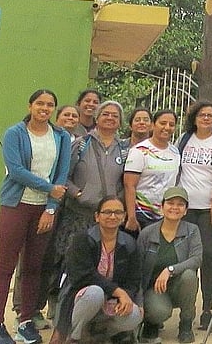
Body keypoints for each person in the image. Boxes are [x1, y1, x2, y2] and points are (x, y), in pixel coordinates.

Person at [0, 90, 71, 344]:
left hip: (43, 211)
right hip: (15, 206)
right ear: (30, 106)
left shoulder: (61, 136)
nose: (44, 108)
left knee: (33, 268)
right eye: (40, 104)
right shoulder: (15, 133)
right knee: (5, 267)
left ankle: (25, 322)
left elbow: (61, 173)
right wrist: (49, 189)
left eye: (49, 105)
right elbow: (16, 171)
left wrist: (50, 208)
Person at [45, 102, 126, 324]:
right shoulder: (81, 145)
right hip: (79, 215)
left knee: (102, 263)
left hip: (108, 218)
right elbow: (63, 176)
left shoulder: (124, 149)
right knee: (69, 262)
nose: (110, 118)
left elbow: (125, 181)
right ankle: (62, 309)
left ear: (120, 121)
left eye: (115, 115)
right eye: (106, 114)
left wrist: (117, 203)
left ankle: (95, 313)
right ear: (97, 118)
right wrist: (79, 194)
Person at [54, 196, 143, 344]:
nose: (113, 216)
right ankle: (75, 337)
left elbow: (133, 279)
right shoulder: (81, 240)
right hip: (81, 298)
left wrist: (125, 296)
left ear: (124, 217)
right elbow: (82, 276)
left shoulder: (130, 244)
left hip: (112, 300)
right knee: (95, 293)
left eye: (118, 212)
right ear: (97, 216)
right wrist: (117, 291)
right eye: (107, 212)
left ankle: (102, 333)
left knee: (134, 315)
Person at [176, 101, 212, 330]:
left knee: (209, 257)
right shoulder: (183, 139)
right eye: (202, 115)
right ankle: (187, 311)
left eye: (210, 115)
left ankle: (207, 308)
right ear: (194, 118)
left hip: (209, 208)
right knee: (186, 261)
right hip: (184, 209)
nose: (206, 119)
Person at [138, 187, 203, 344]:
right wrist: (138, 302)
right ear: (162, 207)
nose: (175, 207)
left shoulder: (192, 230)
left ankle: (186, 324)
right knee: (159, 312)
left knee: (189, 275)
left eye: (180, 204)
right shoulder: (147, 233)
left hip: (179, 286)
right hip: (154, 289)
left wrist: (170, 270)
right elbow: (137, 269)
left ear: (186, 210)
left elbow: (196, 259)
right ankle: (151, 322)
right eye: (170, 203)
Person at [123, 110, 181, 233]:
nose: (167, 127)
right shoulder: (139, 150)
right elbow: (129, 186)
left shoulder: (175, 152)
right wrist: (132, 217)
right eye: (163, 123)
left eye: (171, 124)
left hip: (165, 215)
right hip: (142, 215)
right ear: (153, 125)